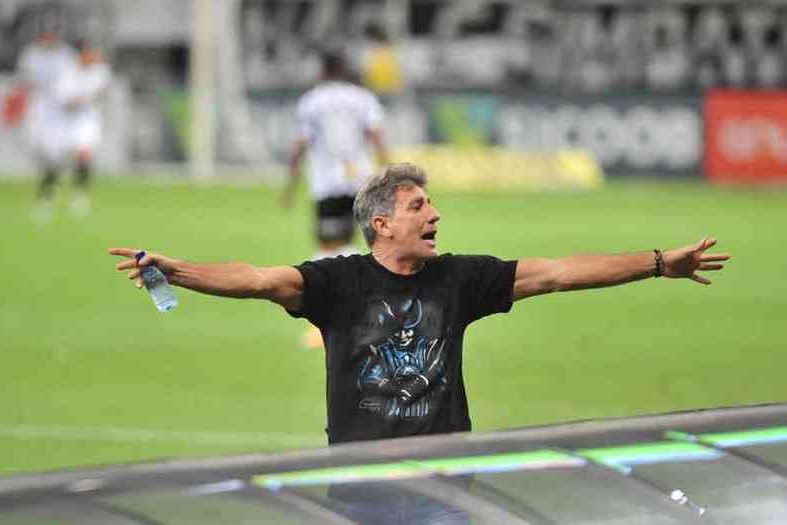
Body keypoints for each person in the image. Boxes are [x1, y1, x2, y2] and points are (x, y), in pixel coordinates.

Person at [111, 162, 730, 445]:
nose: (434, 214)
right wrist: (177, 271)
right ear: (380, 224)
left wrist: (656, 264)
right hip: (358, 481)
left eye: (431, 205)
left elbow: (560, 273)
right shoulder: (334, 283)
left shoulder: (462, 279)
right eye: (417, 207)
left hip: (448, 472)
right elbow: (253, 278)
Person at [283, 47, 390, 348]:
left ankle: (323, 322)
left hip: (328, 184)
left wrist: (290, 184)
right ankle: (380, 316)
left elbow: (300, 144)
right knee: (373, 247)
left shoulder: (312, 101)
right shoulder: (362, 98)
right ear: (345, 69)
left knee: (328, 250)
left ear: (322, 71)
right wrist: (391, 177)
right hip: (362, 182)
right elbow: (377, 135)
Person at [12, 12, 77, 222]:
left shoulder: (67, 55)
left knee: (54, 152)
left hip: (59, 110)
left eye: (53, 33)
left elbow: (73, 81)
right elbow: (22, 82)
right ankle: (52, 181)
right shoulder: (31, 54)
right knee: (36, 148)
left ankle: (45, 194)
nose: (50, 37)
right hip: (37, 108)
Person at [55, 40, 112, 216]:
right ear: (81, 55)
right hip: (65, 120)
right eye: (88, 53)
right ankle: (51, 189)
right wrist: (79, 99)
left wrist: (81, 99)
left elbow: (101, 90)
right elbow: (64, 99)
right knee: (57, 156)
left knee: (85, 154)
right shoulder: (67, 72)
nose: (92, 57)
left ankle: (80, 193)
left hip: (87, 120)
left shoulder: (100, 71)